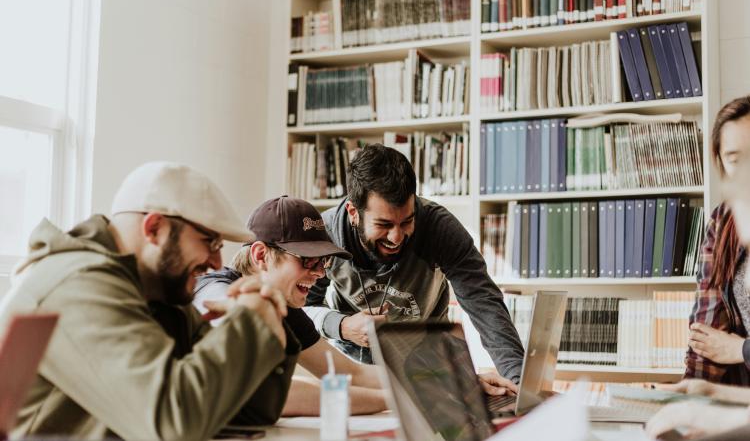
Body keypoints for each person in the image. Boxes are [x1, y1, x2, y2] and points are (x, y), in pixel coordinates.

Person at [0, 162, 297, 440]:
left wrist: (268, 321)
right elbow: (172, 424)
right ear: (154, 228)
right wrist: (250, 323)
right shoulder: (78, 285)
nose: (217, 263)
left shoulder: (158, 293)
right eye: (210, 242)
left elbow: (246, 413)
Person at [304, 143, 525, 386]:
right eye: (384, 225)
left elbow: (485, 304)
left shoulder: (439, 228)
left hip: (429, 370)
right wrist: (342, 325)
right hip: (354, 372)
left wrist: (517, 382)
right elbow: (302, 309)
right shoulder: (324, 235)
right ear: (353, 212)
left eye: (407, 221)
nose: (396, 237)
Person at [193, 195, 386, 416]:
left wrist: (419, 383)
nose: (320, 273)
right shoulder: (214, 291)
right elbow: (267, 391)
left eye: (323, 261)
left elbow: (350, 374)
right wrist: (392, 400)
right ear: (261, 255)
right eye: (308, 260)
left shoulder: (283, 306)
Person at [685, 96, 750, 385]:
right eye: (736, 160)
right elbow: (706, 332)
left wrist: (740, 349)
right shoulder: (724, 221)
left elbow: (727, 347)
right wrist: (690, 393)